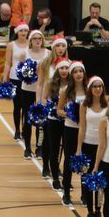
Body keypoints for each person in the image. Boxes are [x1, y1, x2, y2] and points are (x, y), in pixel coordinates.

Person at [77, 76, 108, 217]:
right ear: (90, 89)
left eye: (100, 86)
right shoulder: (84, 105)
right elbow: (82, 127)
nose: (97, 89)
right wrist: (78, 148)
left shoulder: (107, 105)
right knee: (88, 179)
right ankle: (90, 211)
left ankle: (98, 211)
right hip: (88, 145)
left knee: (100, 181)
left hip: (103, 147)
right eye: (95, 86)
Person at [38, 36, 69, 179]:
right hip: (49, 106)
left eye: (63, 46)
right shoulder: (46, 63)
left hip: (64, 109)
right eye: (58, 46)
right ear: (53, 48)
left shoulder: (69, 64)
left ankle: (56, 167)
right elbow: (41, 85)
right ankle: (46, 166)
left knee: (62, 142)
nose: (61, 49)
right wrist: (40, 104)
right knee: (48, 139)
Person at [58, 61, 87, 206]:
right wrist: (69, 114)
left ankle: (85, 194)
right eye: (75, 72)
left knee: (85, 161)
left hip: (85, 130)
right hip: (70, 129)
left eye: (80, 71)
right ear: (71, 75)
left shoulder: (89, 90)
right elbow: (59, 110)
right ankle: (66, 193)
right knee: (69, 160)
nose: (78, 74)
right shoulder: (65, 90)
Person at [42, 59, 71, 190]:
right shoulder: (51, 83)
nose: (64, 71)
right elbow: (44, 99)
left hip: (68, 121)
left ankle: (66, 179)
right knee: (54, 150)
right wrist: (51, 107)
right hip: (53, 120)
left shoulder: (72, 85)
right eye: (61, 68)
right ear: (57, 70)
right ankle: (55, 178)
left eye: (66, 68)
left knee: (67, 150)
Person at [20, 30, 49, 159]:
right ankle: (27, 148)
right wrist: (30, 74)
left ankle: (39, 148)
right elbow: (21, 73)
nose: (38, 40)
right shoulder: (24, 53)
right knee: (27, 119)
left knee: (41, 120)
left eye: (40, 38)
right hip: (27, 89)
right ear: (31, 41)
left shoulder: (48, 53)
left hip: (42, 91)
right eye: (35, 38)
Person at [3, 22, 30, 139]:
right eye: (21, 30)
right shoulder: (11, 45)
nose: (23, 33)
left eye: (25, 30)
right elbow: (7, 62)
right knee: (17, 105)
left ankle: (25, 129)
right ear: (17, 32)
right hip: (15, 77)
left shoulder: (31, 44)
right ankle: (17, 130)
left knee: (26, 106)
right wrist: (5, 77)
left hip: (28, 78)